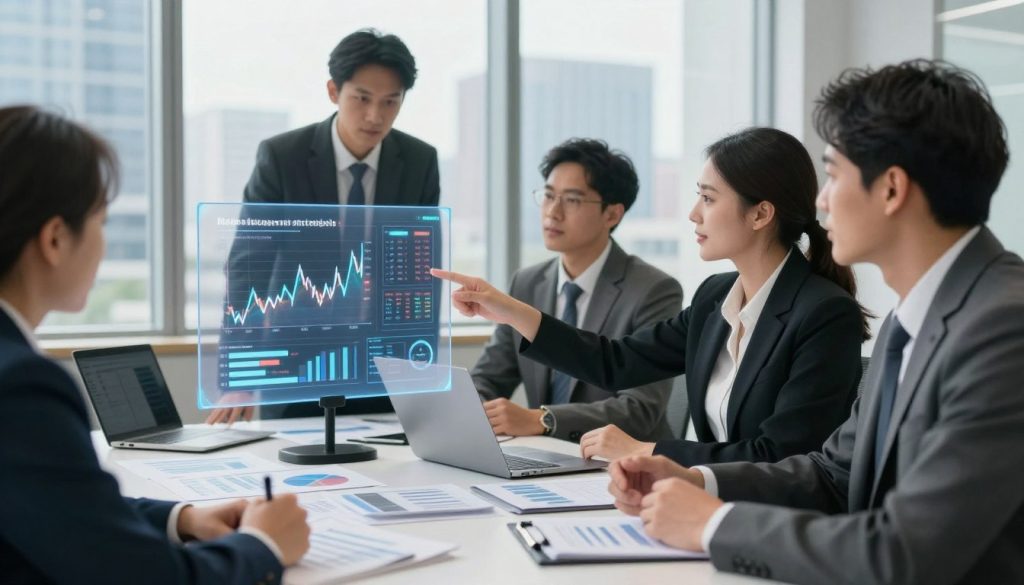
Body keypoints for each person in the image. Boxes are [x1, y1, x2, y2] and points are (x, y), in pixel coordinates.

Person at [606, 60, 1024, 584]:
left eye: (832, 175)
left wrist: (715, 526)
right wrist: (696, 480)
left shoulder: (1004, 329)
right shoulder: (909, 320)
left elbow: (908, 552)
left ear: (891, 189)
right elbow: (832, 474)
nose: (820, 202)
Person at [0, 106, 311, 584]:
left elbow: (57, 506)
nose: (103, 243)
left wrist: (180, 518)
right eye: (101, 221)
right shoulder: (21, 385)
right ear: (56, 239)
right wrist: (263, 545)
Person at [433, 126, 869, 465]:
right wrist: (508, 309)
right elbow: (615, 362)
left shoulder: (825, 314)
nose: (693, 213)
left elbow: (780, 454)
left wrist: (651, 452)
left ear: (760, 213)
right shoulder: (715, 297)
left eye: (708, 198)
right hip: (707, 501)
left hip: (775, 520)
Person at [208, 28, 439, 424]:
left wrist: (418, 367)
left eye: (390, 102)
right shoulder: (284, 157)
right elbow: (249, 266)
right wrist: (241, 374)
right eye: (362, 99)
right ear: (334, 91)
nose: (375, 116)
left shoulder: (419, 161)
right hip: (296, 359)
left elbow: (420, 273)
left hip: (383, 366)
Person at [471, 139, 681, 442]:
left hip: (622, 465)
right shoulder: (527, 284)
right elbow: (488, 377)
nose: (552, 212)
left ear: (612, 214)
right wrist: (476, 412)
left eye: (572, 200)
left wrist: (542, 419)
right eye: (548, 196)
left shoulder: (653, 290)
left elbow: (640, 408)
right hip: (543, 457)